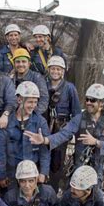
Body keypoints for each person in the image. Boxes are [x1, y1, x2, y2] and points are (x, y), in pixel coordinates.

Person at [24, 83, 104, 187]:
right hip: (79, 168)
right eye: (87, 99)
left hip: (97, 171)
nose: (88, 103)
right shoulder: (80, 118)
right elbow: (64, 134)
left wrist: (96, 142)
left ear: (101, 103)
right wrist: (45, 140)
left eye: (93, 100)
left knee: (94, 198)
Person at [0, 81, 50, 191]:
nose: (33, 106)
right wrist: (1, 175)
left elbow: (45, 150)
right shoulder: (5, 122)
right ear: (19, 100)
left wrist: (43, 172)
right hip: (12, 172)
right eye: (30, 102)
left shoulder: (40, 121)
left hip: (32, 171)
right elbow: (0, 151)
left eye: (35, 102)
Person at [45, 56, 81, 191]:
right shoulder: (43, 85)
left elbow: (77, 114)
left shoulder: (70, 88)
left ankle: (53, 192)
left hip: (60, 130)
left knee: (56, 164)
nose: (55, 71)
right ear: (49, 69)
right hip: (44, 128)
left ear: (63, 71)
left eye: (58, 69)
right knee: (43, 160)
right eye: (53, 68)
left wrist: (69, 130)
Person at [11, 48, 49, 115]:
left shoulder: (37, 78)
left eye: (23, 61)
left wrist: (33, 115)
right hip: (15, 115)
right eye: (18, 62)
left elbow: (44, 99)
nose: (20, 64)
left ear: (29, 64)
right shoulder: (10, 79)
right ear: (14, 64)